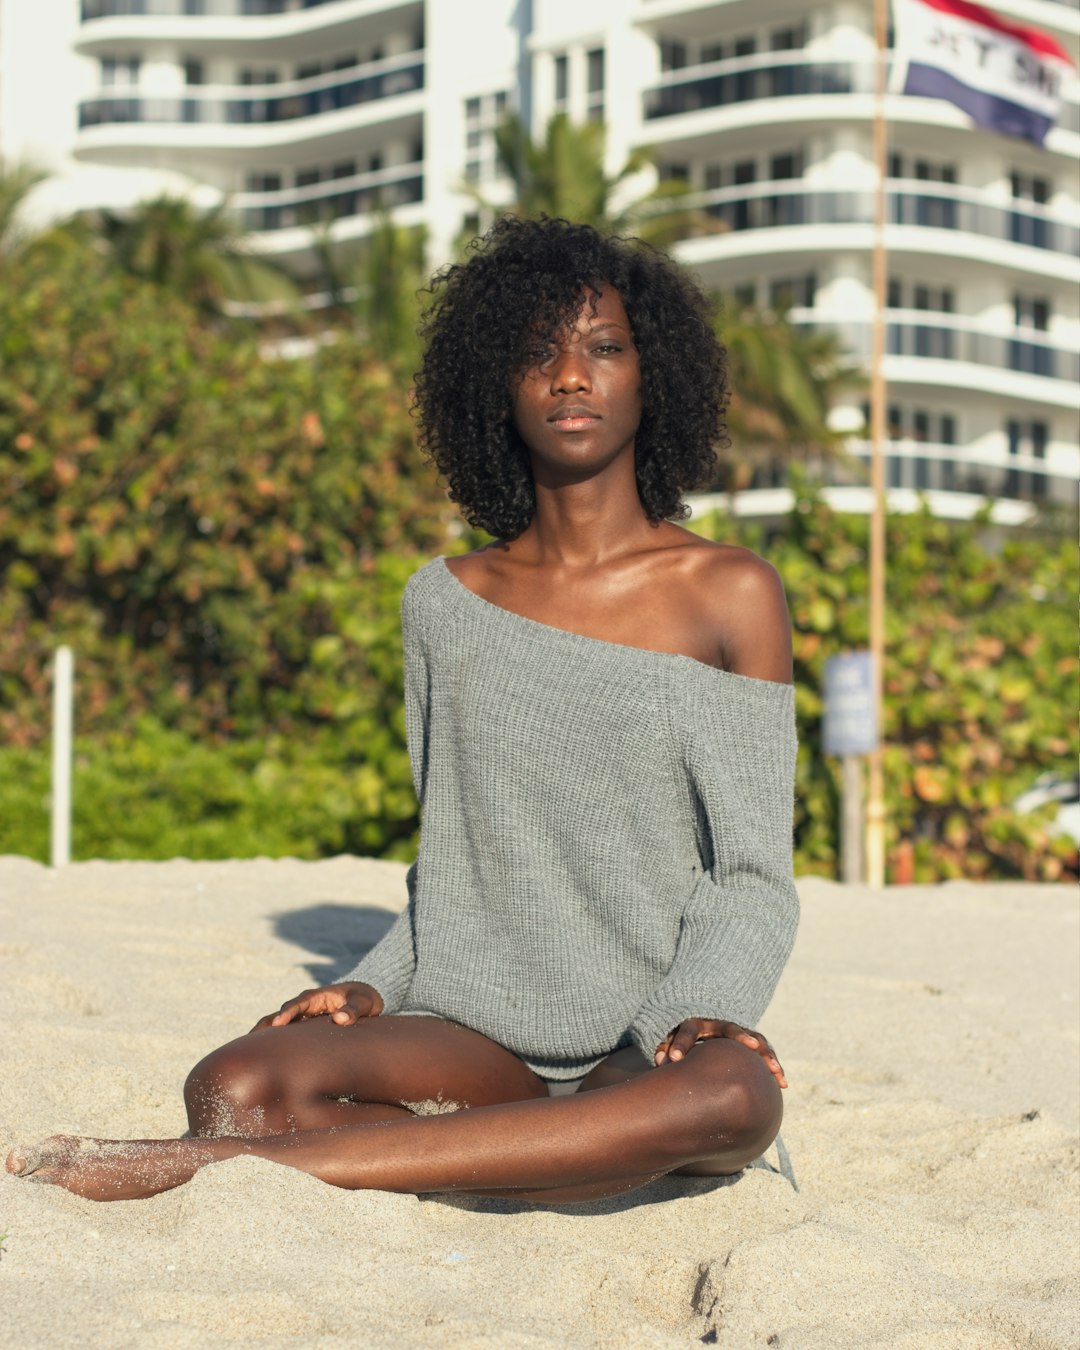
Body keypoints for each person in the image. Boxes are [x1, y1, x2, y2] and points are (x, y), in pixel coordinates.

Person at [7, 216, 799, 1204]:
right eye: (536, 354)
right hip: (480, 1038)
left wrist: (705, 1009)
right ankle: (549, 1151)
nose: (569, 377)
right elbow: (452, 856)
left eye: (603, 349)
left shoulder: (731, 592)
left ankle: (190, 1171)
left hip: (647, 1039)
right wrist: (375, 983)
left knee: (732, 1100)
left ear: (653, 376)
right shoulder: (444, 603)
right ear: (492, 383)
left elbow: (755, 877)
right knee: (238, 1080)